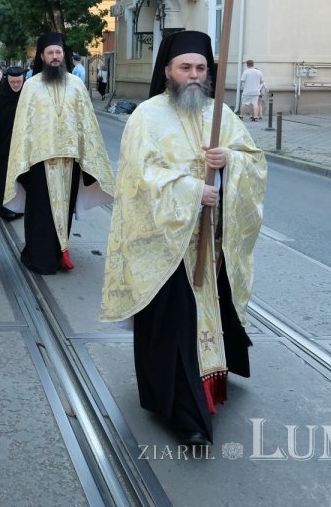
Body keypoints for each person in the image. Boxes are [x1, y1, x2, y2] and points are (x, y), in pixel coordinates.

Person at [100, 30, 266, 448]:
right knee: (174, 325)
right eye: (185, 67)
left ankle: (207, 389)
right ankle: (179, 410)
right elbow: (140, 179)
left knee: (207, 317)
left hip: (209, 245)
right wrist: (194, 191)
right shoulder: (147, 116)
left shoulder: (220, 114)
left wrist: (229, 162)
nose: (193, 75)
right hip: (163, 243)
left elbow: (254, 161)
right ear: (168, 72)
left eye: (201, 68)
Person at [4, 32, 114, 274]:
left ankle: (59, 253)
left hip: (69, 162)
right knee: (40, 212)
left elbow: (87, 123)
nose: (55, 57)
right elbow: (23, 127)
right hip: (39, 163)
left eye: (58, 52)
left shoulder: (76, 85)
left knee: (63, 212)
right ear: (42, 57)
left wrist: (88, 156)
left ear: (63, 55)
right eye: (50, 53)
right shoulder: (31, 86)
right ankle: (38, 256)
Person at [0, 65, 26, 220]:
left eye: (18, 82)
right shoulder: (1, 99)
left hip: (22, 147)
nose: (16, 85)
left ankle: (20, 206)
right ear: (7, 81)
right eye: (12, 82)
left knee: (21, 180)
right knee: (4, 179)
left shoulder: (27, 98)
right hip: (4, 148)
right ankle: (4, 208)